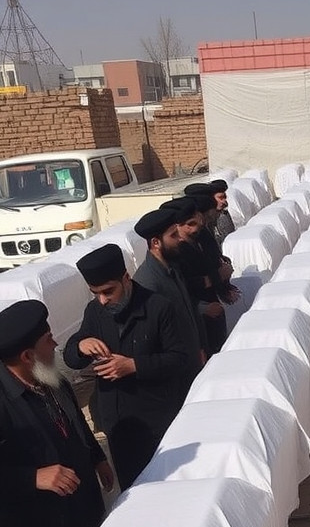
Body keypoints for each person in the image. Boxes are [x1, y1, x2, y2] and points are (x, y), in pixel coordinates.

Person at [0, 299, 113, 527]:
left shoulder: (50, 375)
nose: (56, 343)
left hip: (84, 509)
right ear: (27, 355)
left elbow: (76, 423)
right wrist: (33, 477)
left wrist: (97, 458)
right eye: (48, 339)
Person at [65, 244, 191, 490]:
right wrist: (81, 345)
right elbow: (71, 357)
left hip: (156, 421)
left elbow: (179, 359)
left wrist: (133, 366)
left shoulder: (158, 307)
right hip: (119, 425)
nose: (103, 300)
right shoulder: (95, 311)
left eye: (108, 291)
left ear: (126, 278)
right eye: (95, 293)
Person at [133, 207, 207, 377]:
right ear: (156, 242)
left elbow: (189, 311)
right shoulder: (147, 283)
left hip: (191, 360)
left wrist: (199, 347)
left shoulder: (173, 268)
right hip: (175, 372)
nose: (180, 238)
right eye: (173, 235)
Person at [162, 195, 231, 355]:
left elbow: (213, 261)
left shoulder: (201, 237)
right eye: (190, 224)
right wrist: (202, 307)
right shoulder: (175, 253)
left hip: (214, 307)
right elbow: (181, 288)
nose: (195, 228)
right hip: (197, 316)